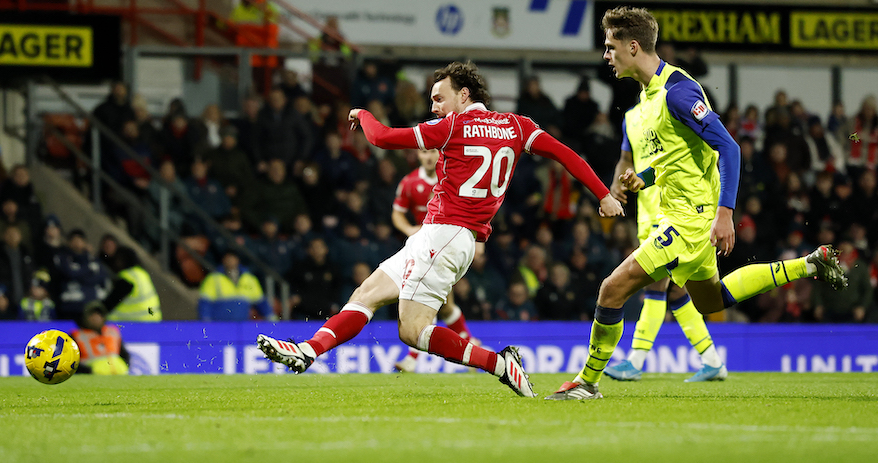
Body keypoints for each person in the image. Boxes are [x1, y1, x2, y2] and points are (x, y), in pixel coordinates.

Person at [258, 61, 624, 397]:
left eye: (439, 98)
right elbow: (567, 155)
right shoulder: (517, 126)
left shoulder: (453, 126)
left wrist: (362, 113)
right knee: (366, 293)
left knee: (412, 330)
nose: (434, 106)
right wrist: (603, 194)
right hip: (446, 236)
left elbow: (381, 137)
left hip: (444, 234)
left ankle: (500, 364)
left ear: (464, 94)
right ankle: (308, 351)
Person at [548, 7, 847, 401]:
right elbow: (679, 158)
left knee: (611, 290)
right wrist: (645, 178)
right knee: (711, 299)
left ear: (633, 47)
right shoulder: (648, 97)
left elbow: (729, 148)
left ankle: (587, 382)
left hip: (691, 220)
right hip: (682, 215)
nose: (606, 55)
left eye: (610, 47)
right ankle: (809, 264)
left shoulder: (678, 91)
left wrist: (725, 213)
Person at [601, 102, 728, 383]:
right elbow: (626, 158)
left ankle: (635, 360)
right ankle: (712, 361)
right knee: (677, 291)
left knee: (657, 285)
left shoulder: (671, 109)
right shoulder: (631, 118)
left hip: (675, 209)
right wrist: (616, 182)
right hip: (647, 211)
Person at [391, 148, 478, 372]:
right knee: (444, 305)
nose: (428, 157)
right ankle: (470, 344)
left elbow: (472, 208)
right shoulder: (409, 182)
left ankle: (413, 358)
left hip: (446, 246)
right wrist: (409, 229)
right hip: (422, 248)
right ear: (418, 155)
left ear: (440, 153)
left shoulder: (452, 177)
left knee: (432, 300)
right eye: (423, 152)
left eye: (432, 151)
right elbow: (397, 213)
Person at [197, 248, 273, 321]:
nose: (230, 261)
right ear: (223, 260)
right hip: (220, 325)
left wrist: (270, 316)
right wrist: (205, 319)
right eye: (228, 258)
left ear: (238, 260)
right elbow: (205, 302)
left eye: (233, 258)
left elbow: (260, 301)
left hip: (242, 325)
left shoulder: (249, 279)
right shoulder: (214, 279)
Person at [70, 301, 131, 375]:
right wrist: (88, 371)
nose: (96, 318)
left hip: (118, 373)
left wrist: (124, 366)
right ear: (85, 317)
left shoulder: (113, 332)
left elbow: (124, 354)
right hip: (92, 374)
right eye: (92, 315)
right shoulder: (77, 336)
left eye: (99, 314)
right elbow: (71, 360)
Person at [103, 246, 162, 321]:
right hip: (154, 319)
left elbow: (111, 302)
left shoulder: (128, 277)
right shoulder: (142, 273)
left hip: (134, 322)